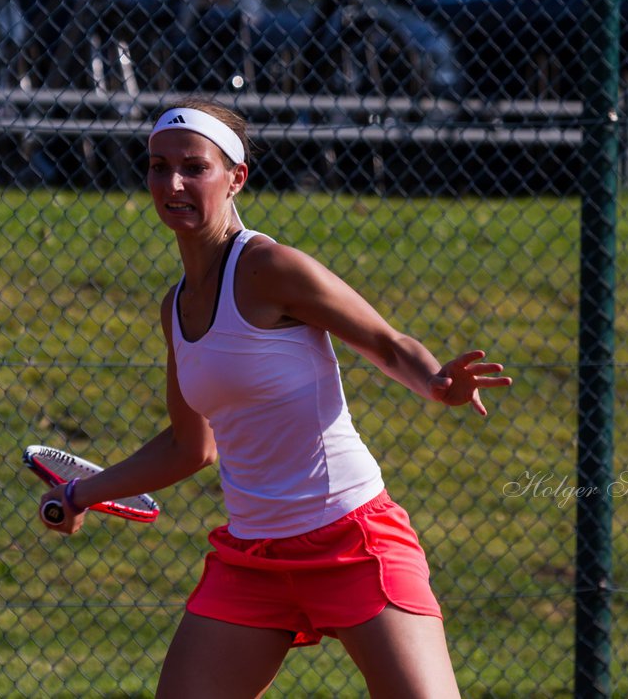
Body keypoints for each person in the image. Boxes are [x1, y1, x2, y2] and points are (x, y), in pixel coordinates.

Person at [40, 97, 512, 698]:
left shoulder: (271, 268)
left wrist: (437, 384)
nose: (173, 183)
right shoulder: (176, 308)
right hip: (252, 558)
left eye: (194, 167)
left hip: (350, 538)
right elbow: (192, 447)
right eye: (159, 167)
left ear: (236, 177)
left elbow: (387, 344)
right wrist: (81, 493)